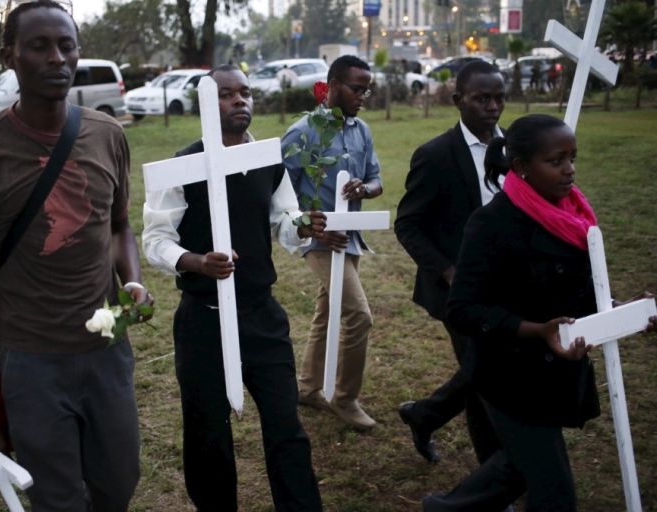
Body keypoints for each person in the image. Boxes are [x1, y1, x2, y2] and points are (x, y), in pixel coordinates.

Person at [0, 1, 153, 510]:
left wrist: (132, 277)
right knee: (57, 499)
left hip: (107, 351)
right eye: (39, 46)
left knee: (119, 484)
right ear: (9, 56)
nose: (57, 58)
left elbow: (121, 226)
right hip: (31, 361)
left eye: (67, 45)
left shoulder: (108, 135)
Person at [424, 113, 657, 511]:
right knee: (555, 493)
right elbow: (462, 309)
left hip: (555, 374)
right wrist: (537, 330)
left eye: (573, 158)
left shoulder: (573, 216)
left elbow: (576, 292)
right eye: (556, 161)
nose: (570, 170)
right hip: (508, 377)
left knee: (516, 468)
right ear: (521, 167)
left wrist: (621, 311)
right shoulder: (492, 223)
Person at [143, 64, 325, 511]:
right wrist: (195, 262)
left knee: (287, 428)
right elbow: (155, 240)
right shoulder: (180, 168)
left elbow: (284, 218)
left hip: (262, 315)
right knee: (208, 435)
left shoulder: (266, 158)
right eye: (226, 94)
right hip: (203, 321)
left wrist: (302, 225)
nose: (239, 100)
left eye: (244, 93)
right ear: (206, 101)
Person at [394, 60, 506, 464]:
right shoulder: (436, 155)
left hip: (511, 283)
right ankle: (494, 483)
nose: (492, 107)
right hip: (459, 289)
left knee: (486, 370)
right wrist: (449, 272)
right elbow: (408, 225)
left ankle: (424, 415)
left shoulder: (517, 148)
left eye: (498, 98)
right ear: (458, 100)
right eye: (481, 98)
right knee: (483, 376)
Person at [282, 55, 383, 430]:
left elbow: (377, 179)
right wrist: (310, 226)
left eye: (366, 89)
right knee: (358, 315)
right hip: (320, 242)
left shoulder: (361, 131)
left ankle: (308, 388)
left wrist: (365, 188)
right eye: (357, 88)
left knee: (328, 312)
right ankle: (346, 398)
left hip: (351, 238)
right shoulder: (302, 133)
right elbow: (279, 196)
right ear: (334, 85)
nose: (363, 96)